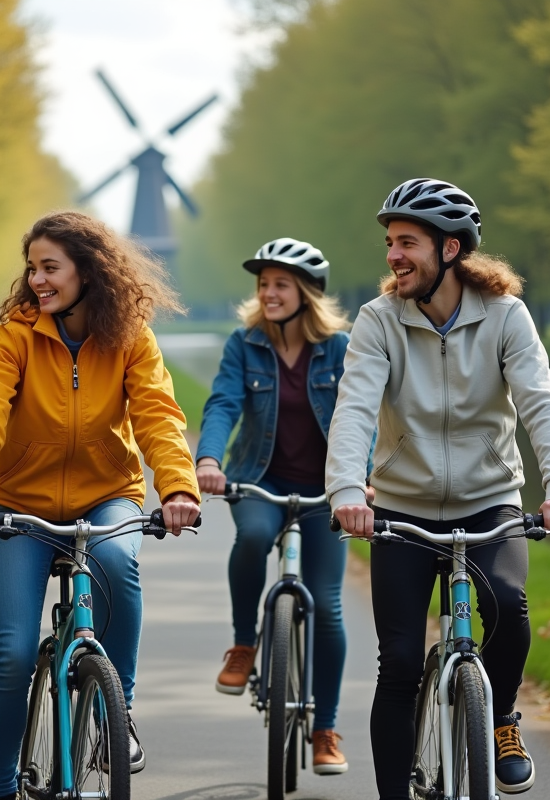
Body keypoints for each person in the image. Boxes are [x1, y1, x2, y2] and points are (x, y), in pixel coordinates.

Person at [327, 178, 550, 798]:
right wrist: (347, 493)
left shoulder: (505, 316)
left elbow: (540, 402)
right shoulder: (379, 320)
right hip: (402, 511)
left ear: (449, 249)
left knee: (507, 606)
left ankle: (498, 719)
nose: (393, 255)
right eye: (390, 242)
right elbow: (355, 406)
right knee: (401, 668)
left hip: (488, 500)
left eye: (407, 242)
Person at [0, 210, 201, 800]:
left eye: (50, 267)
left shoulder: (131, 336)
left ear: (89, 270)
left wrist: (178, 487)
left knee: (117, 562)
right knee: (10, 652)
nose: (37, 279)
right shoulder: (15, 334)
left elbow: (159, 416)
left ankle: (119, 711)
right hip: (20, 505)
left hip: (106, 496)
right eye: (32, 267)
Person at [196, 237, 361, 775]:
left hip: (326, 492)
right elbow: (223, 403)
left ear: (307, 293)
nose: (268, 293)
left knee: (329, 606)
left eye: (280, 284)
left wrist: (360, 481)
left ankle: (325, 729)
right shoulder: (244, 344)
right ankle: (245, 645)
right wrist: (209, 461)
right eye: (263, 284)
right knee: (249, 537)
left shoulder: (340, 348)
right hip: (259, 479)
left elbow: (366, 416)